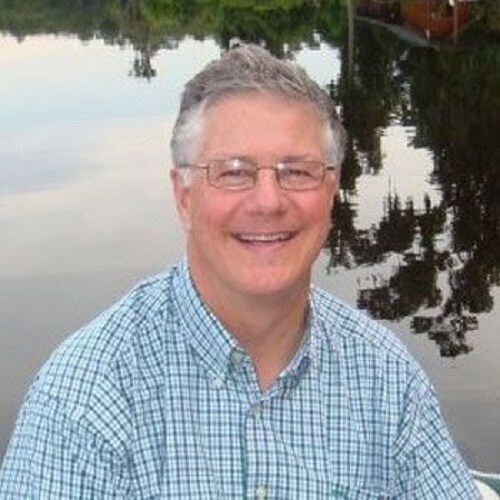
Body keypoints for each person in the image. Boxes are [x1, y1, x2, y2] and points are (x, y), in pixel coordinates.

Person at [0, 45, 479, 499]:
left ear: (331, 191)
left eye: (297, 171)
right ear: (184, 197)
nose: (268, 201)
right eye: (233, 172)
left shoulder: (386, 379)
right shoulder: (86, 399)